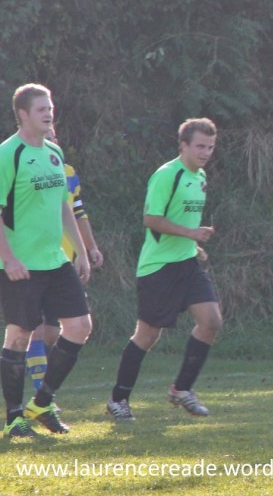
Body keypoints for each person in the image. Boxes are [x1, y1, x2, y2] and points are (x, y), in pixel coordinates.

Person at [106, 118, 222, 421]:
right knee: (147, 335)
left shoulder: (200, 177)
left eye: (210, 147)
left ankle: (181, 389)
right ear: (183, 145)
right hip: (159, 268)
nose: (206, 152)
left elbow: (181, 219)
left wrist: (194, 245)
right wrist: (190, 233)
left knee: (211, 321)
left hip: (187, 264)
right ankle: (118, 399)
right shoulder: (167, 175)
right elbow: (152, 219)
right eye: (200, 146)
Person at [0, 83, 93, 437]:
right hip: (21, 264)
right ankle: (14, 417)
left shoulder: (54, 152)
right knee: (19, 335)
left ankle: (41, 403)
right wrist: (9, 258)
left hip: (56, 261)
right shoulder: (8, 154)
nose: (49, 113)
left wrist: (79, 251)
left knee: (80, 327)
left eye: (50, 107)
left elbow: (63, 206)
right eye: (41, 108)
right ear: (23, 114)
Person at [26, 126, 104, 392]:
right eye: (43, 137)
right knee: (35, 329)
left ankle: (39, 378)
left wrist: (89, 248)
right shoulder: (23, 168)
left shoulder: (68, 173)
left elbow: (77, 213)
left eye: (52, 137)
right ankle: (41, 393)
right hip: (34, 259)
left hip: (62, 262)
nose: (48, 142)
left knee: (52, 332)